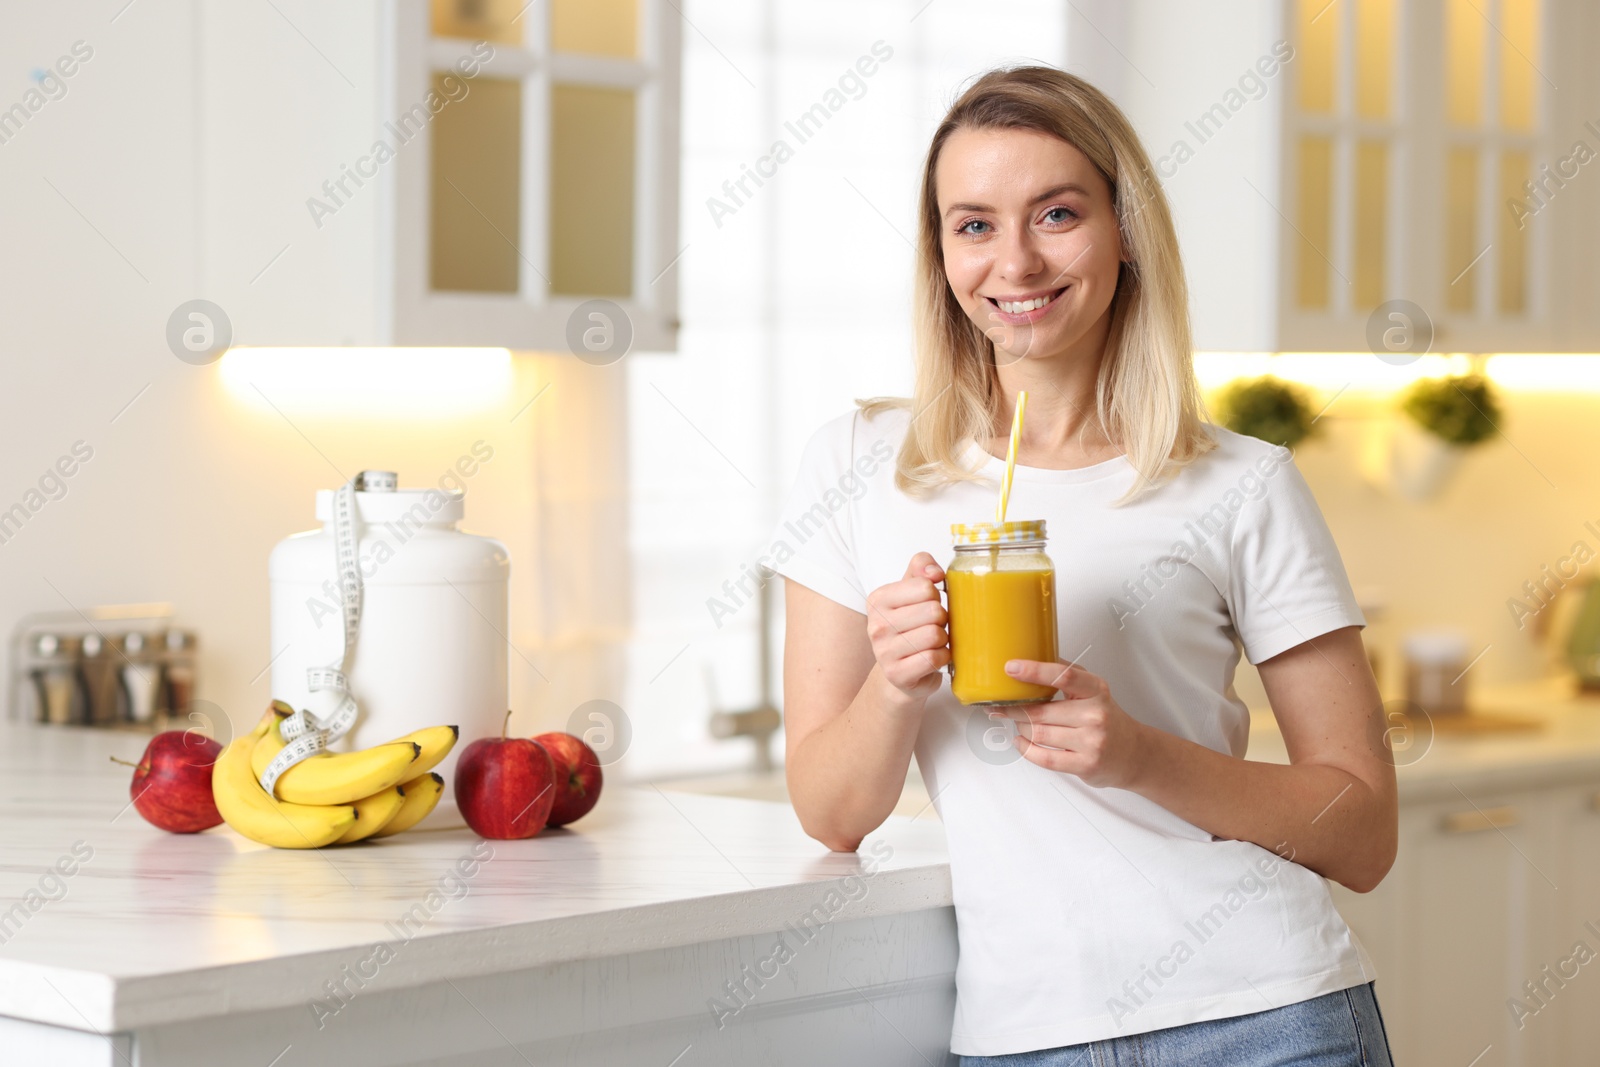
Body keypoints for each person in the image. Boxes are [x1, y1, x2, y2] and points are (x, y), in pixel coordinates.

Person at [770, 65, 1398, 1065]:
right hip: (1028, 1036)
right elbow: (830, 811)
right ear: (938, 252)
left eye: (1055, 213)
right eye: (972, 223)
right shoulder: (856, 464)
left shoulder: (1243, 481)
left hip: (1268, 1019)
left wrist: (1138, 754)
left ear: (1123, 230)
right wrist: (895, 685)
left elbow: (1362, 830)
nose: (1013, 261)